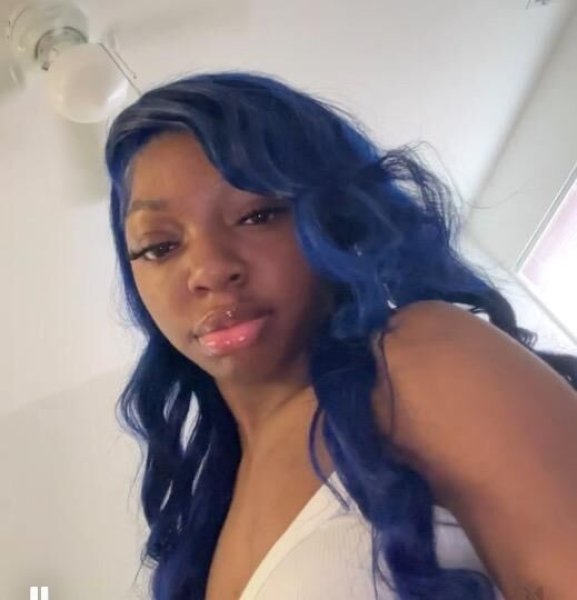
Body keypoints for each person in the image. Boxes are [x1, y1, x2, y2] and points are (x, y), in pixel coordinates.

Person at [104, 71, 577, 600]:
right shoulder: (207, 516)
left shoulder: (416, 360)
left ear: (334, 217)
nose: (210, 270)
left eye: (257, 215)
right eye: (160, 246)